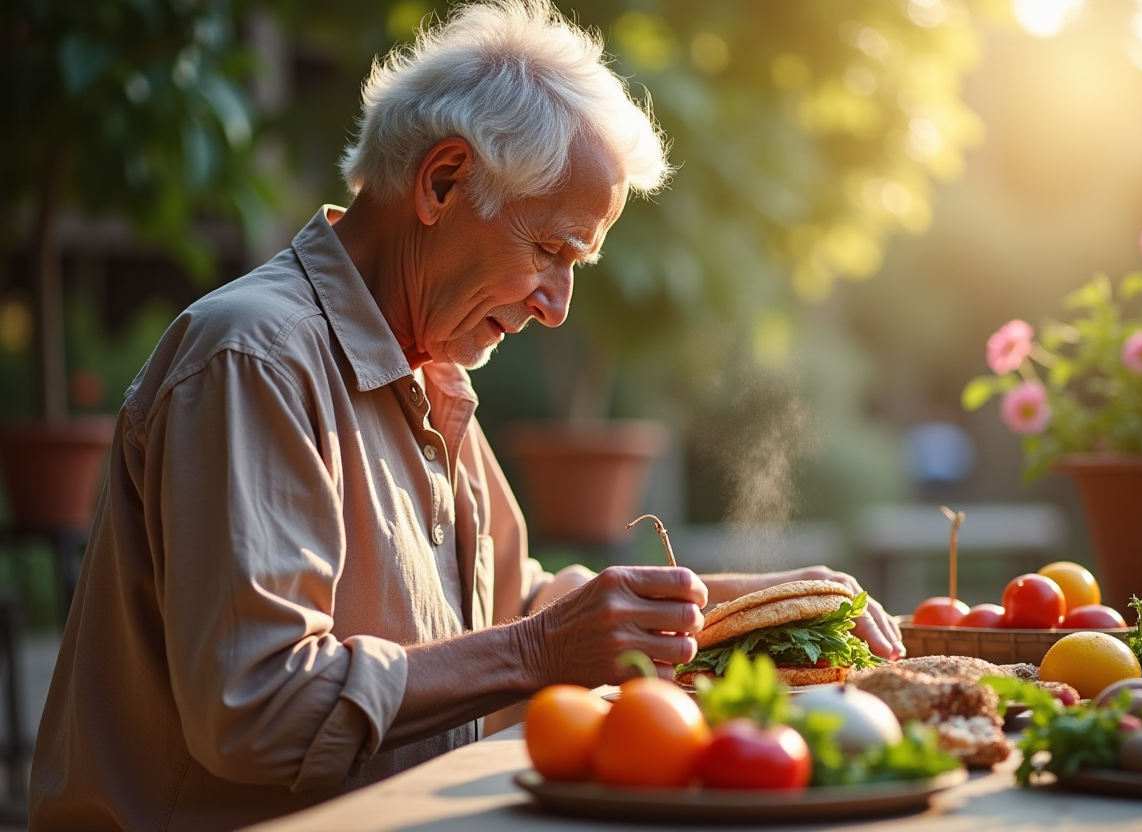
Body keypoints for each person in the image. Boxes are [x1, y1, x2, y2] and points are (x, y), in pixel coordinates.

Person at [28, 1, 903, 829]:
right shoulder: (254, 358)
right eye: (551, 250)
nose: (558, 305)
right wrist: (538, 654)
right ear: (443, 181)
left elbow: (504, 609)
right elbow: (260, 707)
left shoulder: (425, 363)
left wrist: (767, 607)